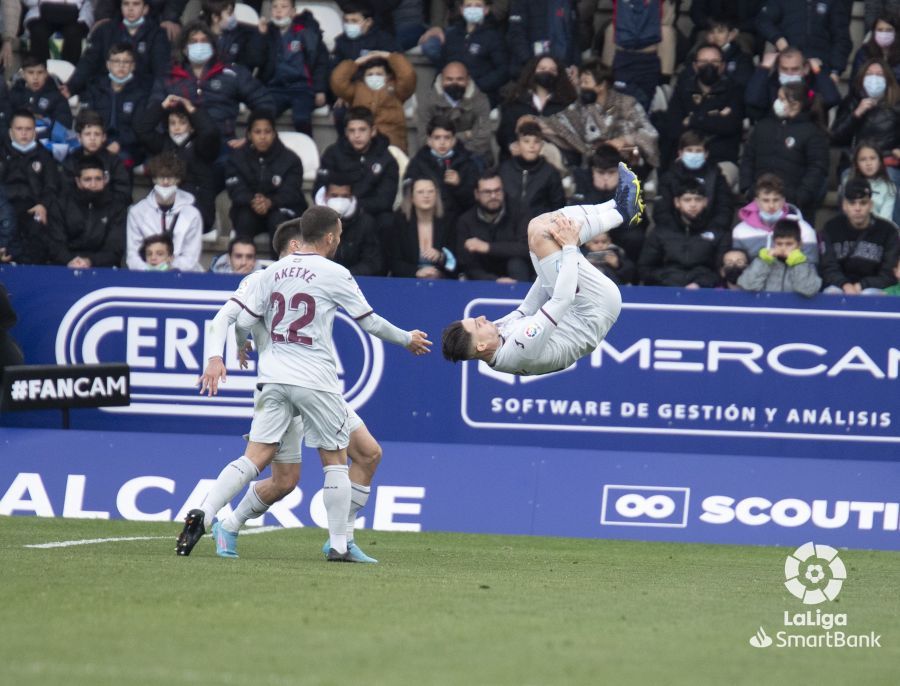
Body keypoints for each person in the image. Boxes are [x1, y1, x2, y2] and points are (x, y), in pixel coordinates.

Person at [177, 206, 432, 561]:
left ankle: (207, 514)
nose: (340, 240)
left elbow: (239, 320)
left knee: (275, 459)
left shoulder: (269, 273)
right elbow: (370, 323)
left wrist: (233, 349)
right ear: (328, 237)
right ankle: (339, 544)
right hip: (315, 380)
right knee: (333, 460)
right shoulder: (332, 272)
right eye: (339, 235)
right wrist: (407, 339)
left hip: (275, 379)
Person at [441, 163, 642, 375]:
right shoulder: (520, 348)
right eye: (477, 324)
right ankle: (622, 212)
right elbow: (561, 300)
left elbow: (528, 308)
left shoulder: (494, 338)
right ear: (480, 346)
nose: (481, 318)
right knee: (546, 238)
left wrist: (542, 257)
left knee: (537, 227)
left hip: (579, 307)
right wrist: (569, 248)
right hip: (597, 307)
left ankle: (616, 204)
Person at [151, 20, 274, 142]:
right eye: (194, 41)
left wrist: (250, 138)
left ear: (212, 47)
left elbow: (264, 102)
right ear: (184, 49)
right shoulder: (168, 77)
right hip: (181, 146)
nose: (199, 45)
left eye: (204, 41)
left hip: (223, 145)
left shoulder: (232, 73)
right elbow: (153, 113)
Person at [535, 60, 660, 170]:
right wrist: (533, 122)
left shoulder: (627, 103)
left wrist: (624, 140)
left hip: (626, 162)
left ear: (601, 85)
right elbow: (558, 123)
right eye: (581, 82)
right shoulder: (580, 106)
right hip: (594, 164)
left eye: (586, 82)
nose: (581, 86)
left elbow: (650, 133)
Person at [739, 81, 829, 220]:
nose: (777, 102)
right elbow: (748, 158)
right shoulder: (763, 126)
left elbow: (817, 168)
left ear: (796, 104)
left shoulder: (812, 132)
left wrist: (801, 196)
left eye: (781, 99)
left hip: (794, 207)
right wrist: (748, 189)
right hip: (759, 201)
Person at [133, 94, 221, 230]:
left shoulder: (200, 146)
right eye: (172, 123)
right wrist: (162, 106)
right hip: (166, 207)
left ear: (192, 127)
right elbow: (141, 130)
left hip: (198, 209)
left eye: (182, 122)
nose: (177, 127)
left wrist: (191, 108)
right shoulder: (162, 143)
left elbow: (210, 132)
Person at [225, 110, 306, 255]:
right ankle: (243, 266)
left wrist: (271, 202)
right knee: (244, 218)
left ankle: (280, 269)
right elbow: (235, 189)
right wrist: (253, 200)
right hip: (248, 208)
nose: (263, 137)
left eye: (267, 131)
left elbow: (292, 192)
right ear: (249, 134)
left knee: (279, 222)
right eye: (257, 132)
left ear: (274, 133)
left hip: (281, 209)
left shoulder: (291, 159)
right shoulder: (236, 158)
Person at [662, 43, 744, 168]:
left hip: (720, 159)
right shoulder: (683, 90)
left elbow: (730, 126)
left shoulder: (734, 91)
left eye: (715, 61)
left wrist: (692, 120)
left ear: (723, 66)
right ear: (695, 66)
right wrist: (714, 118)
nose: (709, 66)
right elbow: (673, 128)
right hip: (684, 156)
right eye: (703, 62)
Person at [638, 178, 732, 288]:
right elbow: (644, 268)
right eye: (687, 200)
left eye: (698, 199)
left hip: (705, 292)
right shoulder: (661, 231)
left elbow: (722, 270)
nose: (693, 204)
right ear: (677, 202)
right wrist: (670, 281)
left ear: (705, 202)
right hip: (667, 290)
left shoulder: (718, 231)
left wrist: (701, 283)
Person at [314, 106, 399, 227]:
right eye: (352, 130)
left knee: (386, 220)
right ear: (346, 132)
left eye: (362, 130)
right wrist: (338, 204)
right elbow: (319, 188)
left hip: (370, 212)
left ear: (373, 131)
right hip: (335, 209)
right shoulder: (333, 153)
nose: (357, 135)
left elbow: (385, 199)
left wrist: (354, 206)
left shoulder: (386, 159)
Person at [66, 0, 171, 96]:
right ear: (120, 7)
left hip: (141, 97)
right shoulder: (104, 31)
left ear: (145, 9)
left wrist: (155, 101)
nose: (130, 9)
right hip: (104, 94)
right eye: (126, 4)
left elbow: (161, 72)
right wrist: (70, 88)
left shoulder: (158, 35)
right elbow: (88, 63)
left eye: (136, 4)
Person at [420, 0, 508, 107]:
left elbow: (503, 71)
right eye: (468, 6)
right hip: (450, 94)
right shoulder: (451, 36)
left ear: (486, 9)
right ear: (461, 10)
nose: (473, 9)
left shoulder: (494, 37)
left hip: (480, 95)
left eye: (478, 6)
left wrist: (477, 85)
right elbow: (442, 67)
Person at [820, 177, 900, 295]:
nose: (857, 208)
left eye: (863, 203)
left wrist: (861, 285)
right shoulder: (831, 228)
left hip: (874, 288)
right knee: (831, 293)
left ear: (870, 205)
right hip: (839, 286)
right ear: (844, 206)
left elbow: (889, 273)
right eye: (852, 203)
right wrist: (844, 284)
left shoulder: (888, 231)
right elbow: (827, 266)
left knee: (869, 294)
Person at [259, 0, 328, 135]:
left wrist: (320, 89)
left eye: (284, 7)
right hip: (275, 88)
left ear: (293, 12)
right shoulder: (267, 32)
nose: (278, 11)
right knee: (263, 117)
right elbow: (255, 59)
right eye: (275, 7)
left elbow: (320, 62)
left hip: (302, 88)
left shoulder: (306, 32)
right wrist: (260, 36)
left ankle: (308, 152)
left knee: (301, 119)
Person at [45, 155, 127, 268]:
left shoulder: (116, 207)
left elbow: (114, 249)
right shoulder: (61, 205)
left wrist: (90, 261)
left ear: (105, 180)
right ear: (78, 181)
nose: (93, 184)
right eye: (87, 179)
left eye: (98, 179)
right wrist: (70, 260)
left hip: (102, 268)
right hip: (64, 266)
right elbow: (55, 244)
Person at [0, 110, 60, 264]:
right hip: (5, 208)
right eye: (19, 129)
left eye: (28, 129)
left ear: (35, 131)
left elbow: (51, 186)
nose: (24, 134)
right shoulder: (2, 153)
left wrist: (43, 205)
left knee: (40, 226)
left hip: (34, 208)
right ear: (10, 131)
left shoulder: (45, 156)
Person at [569, 145, 645, 266]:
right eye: (600, 172)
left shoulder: (630, 183)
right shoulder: (581, 181)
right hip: (588, 231)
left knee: (635, 237)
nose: (605, 177)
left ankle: (631, 276)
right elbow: (574, 214)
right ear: (593, 170)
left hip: (618, 231)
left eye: (611, 172)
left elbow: (635, 220)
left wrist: (611, 192)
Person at [126, 151, 202, 271]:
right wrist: (149, 270)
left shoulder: (192, 214)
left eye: (170, 177)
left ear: (178, 180)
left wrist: (169, 268)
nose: (166, 182)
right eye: (161, 177)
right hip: (146, 275)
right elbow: (133, 254)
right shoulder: (137, 212)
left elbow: (191, 255)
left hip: (182, 275)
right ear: (154, 179)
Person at [330, 50, 417, 152]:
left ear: (387, 76)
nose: (374, 77)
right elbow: (337, 81)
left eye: (379, 74)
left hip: (391, 144)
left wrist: (389, 56)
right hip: (362, 143)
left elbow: (408, 75)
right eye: (370, 74)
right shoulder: (357, 89)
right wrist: (356, 63)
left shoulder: (396, 89)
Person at [830, 59, 900, 184]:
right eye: (869, 74)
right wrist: (856, 114)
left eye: (879, 74)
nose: (874, 78)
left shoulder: (896, 105)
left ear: (888, 80)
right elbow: (835, 137)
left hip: (888, 163)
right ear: (862, 78)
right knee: (848, 181)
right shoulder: (851, 102)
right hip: (855, 163)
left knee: (891, 182)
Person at [79, 43, 149, 167]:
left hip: (128, 148)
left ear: (133, 66)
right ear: (108, 65)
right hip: (97, 141)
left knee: (121, 160)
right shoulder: (95, 89)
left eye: (126, 62)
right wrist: (102, 142)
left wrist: (119, 143)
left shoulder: (141, 93)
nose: (121, 65)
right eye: (116, 61)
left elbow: (139, 130)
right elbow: (86, 119)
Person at [496, 55, 576, 160]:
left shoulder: (567, 104)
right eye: (542, 69)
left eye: (552, 70)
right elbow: (504, 133)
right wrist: (511, 145)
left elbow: (574, 140)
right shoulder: (516, 101)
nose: (547, 72)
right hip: (519, 163)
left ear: (559, 75)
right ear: (532, 72)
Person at [405, 115, 479, 227]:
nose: (442, 142)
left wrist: (459, 185)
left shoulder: (467, 162)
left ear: (454, 140)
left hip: (457, 219)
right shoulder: (418, 162)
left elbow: (474, 200)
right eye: (437, 138)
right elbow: (408, 191)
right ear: (429, 141)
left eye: (447, 137)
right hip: (427, 217)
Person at [655, 131, 734, 235]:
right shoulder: (668, 177)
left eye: (698, 151)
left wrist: (710, 231)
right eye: (689, 150)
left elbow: (725, 208)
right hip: (676, 233)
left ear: (706, 154)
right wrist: (680, 232)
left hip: (710, 233)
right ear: (680, 153)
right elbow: (662, 211)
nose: (694, 154)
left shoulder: (716, 176)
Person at [732, 172, 819, 265]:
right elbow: (740, 268)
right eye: (766, 200)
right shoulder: (740, 231)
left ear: (783, 201)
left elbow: (811, 266)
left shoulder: (803, 229)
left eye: (776, 200)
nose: (771, 205)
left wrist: (792, 258)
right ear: (756, 201)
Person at [756, 0, 853, 81]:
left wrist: (836, 70)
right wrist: (778, 39)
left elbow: (842, 38)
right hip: (788, 66)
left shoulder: (833, 2)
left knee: (822, 101)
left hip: (819, 67)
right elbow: (763, 21)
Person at [416, 61, 493, 163]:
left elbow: (483, 138)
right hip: (436, 155)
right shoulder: (427, 101)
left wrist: (444, 140)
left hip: (472, 155)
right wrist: (466, 135)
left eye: (460, 79)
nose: (454, 83)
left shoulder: (480, 100)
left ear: (468, 80)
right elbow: (423, 139)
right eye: (449, 79)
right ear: (441, 79)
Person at [743, 47, 841, 122]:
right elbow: (752, 100)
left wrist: (817, 70)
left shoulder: (811, 89)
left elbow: (832, 99)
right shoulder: (771, 86)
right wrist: (764, 68)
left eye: (795, 69)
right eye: (784, 69)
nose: (789, 73)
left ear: (805, 69)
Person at [389, 176, 457, 278]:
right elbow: (393, 261)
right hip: (407, 282)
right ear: (411, 197)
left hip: (441, 282)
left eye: (431, 191)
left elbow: (458, 261)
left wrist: (441, 257)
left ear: (436, 195)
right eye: (420, 192)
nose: (426, 195)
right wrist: (416, 272)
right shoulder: (399, 223)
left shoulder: (448, 222)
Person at [62, 110, 132, 208]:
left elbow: (124, 193)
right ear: (79, 137)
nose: (92, 138)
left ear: (104, 137)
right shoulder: (71, 161)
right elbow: (65, 193)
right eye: (87, 134)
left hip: (107, 212)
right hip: (78, 212)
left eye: (97, 134)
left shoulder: (114, 161)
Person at [314, 178, 383, 275]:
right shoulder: (311, 223)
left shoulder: (365, 223)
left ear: (351, 197)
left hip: (353, 281)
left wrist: (345, 275)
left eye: (345, 196)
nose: (339, 200)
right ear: (325, 196)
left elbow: (372, 263)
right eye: (334, 196)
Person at [736, 218, 821, 297]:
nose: (783, 248)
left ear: (799, 244)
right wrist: (763, 261)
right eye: (779, 244)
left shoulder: (806, 265)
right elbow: (747, 285)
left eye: (789, 244)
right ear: (773, 243)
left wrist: (798, 263)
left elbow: (808, 290)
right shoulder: (765, 262)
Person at [498, 121, 564, 221]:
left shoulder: (550, 173)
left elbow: (558, 206)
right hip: (507, 227)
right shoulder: (504, 169)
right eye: (526, 141)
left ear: (542, 144)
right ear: (518, 143)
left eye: (536, 141)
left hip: (538, 227)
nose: (532, 146)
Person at [506, 0, 578, 81]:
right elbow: (516, 36)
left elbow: (573, 34)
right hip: (530, 72)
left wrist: (575, 64)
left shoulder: (568, 2)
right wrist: (534, 65)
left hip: (563, 70)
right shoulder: (521, 2)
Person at [839, 142, 899, 225]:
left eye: (872, 158)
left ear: (880, 162)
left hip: (880, 230)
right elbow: (847, 213)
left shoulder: (889, 187)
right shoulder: (848, 182)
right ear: (856, 164)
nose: (868, 164)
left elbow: (886, 219)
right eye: (863, 159)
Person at [9, 55, 73, 131]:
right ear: (23, 74)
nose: (35, 77)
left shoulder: (57, 96)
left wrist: (44, 121)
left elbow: (65, 123)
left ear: (46, 74)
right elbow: (5, 120)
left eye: (40, 72)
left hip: (46, 139)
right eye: (30, 72)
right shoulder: (14, 94)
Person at [203, 0, 266, 73]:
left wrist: (259, 35)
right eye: (229, 13)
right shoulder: (198, 36)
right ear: (215, 18)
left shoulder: (242, 34)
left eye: (233, 12)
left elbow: (253, 62)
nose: (234, 16)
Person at [23, 0, 93, 63]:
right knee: (38, 31)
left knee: (74, 33)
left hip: (76, 15)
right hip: (42, 13)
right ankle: (41, 70)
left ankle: (69, 72)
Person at [331, 3, 399, 66]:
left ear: (368, 22)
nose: (349, 24)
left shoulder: (384, 40)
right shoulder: (341, 41)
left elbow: (399, 64)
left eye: (354, 21)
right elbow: (335, 68)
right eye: (346, 21)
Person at [851, 13, 900, 81]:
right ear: (874, 32)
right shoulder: (863, 53)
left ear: (896, 33)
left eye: (889, 30)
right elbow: (856, 82)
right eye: (880, 30)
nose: (884, 33)